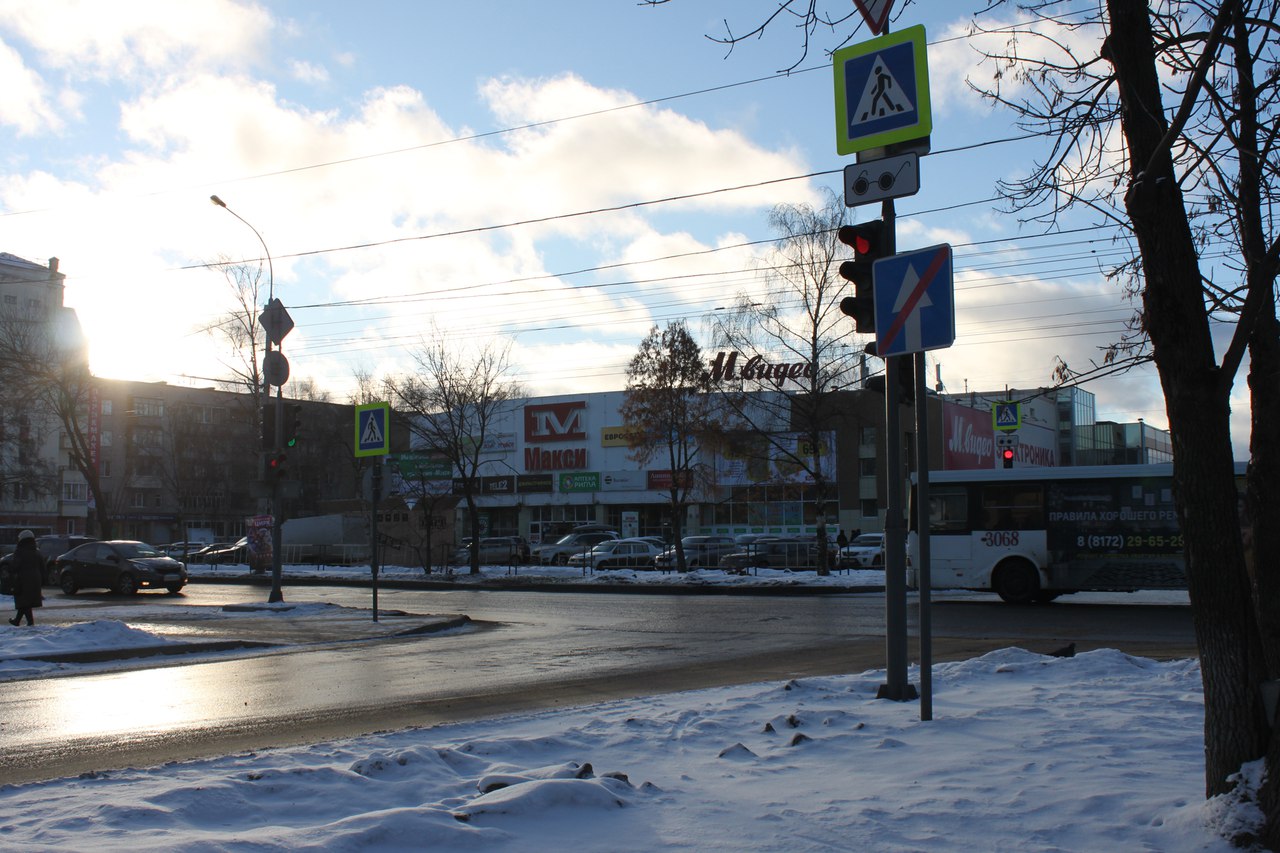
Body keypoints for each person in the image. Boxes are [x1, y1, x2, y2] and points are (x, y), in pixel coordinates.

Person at [8, 529, 44, 627]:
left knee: (24, 601)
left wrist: (10, 570)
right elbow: (42, 565)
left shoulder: (20, 551)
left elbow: (15, 566)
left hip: (23, 579)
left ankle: (27, 622)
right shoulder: (37, 551)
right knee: (26, 602)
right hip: (36, 579)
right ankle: (19, 621)